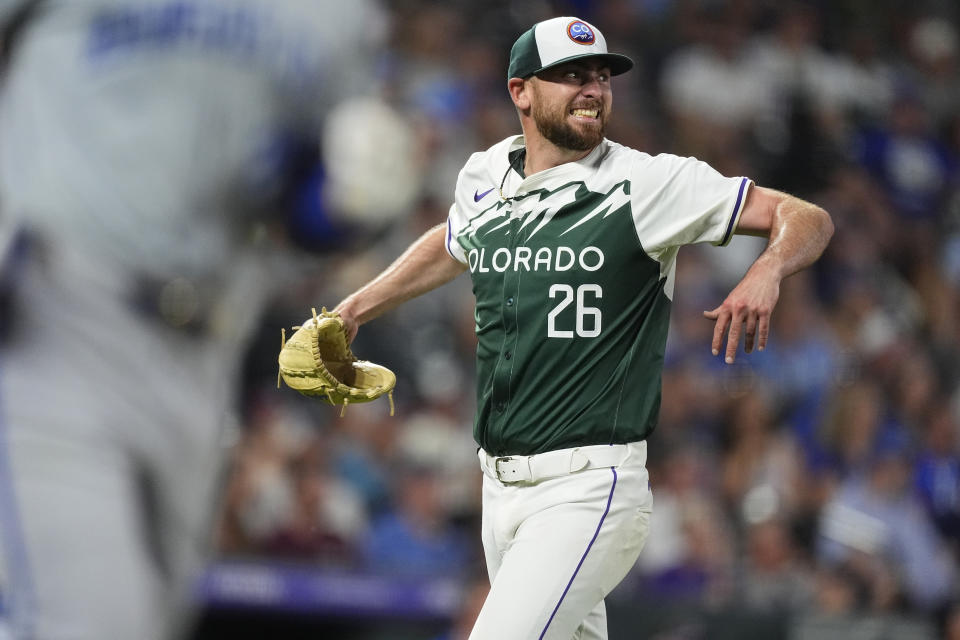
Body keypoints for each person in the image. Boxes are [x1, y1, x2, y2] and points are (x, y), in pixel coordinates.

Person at [330, 16, 834, 640]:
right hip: (499, 490)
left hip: (588, 487)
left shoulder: (647, 183)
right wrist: (355, 307)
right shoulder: (486, 176)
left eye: (601, 76)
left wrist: (769, 269)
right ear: (521, 91)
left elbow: (804, 216)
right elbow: (453, 240)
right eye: (571, 76)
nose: (592, 88)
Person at [0, 1, 410, 639]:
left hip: (204, 351)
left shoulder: (335, 15)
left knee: (149, 618)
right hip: (54, 306)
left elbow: (305, 192)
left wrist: (339, 206)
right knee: (86, 619)